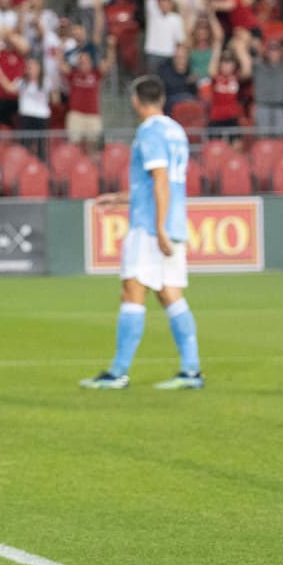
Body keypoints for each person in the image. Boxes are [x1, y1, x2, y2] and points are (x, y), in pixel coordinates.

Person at [81, 76, 203, 391]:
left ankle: (118, 372)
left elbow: (160, 179)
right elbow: (156, 184)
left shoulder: (149, 131)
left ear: (136, 101)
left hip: (151, 227)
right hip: (175, 222)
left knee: (132, 291)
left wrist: (158, 227)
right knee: (170, 294)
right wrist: (120, 197)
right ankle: (191, 371)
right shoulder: (176, 131)